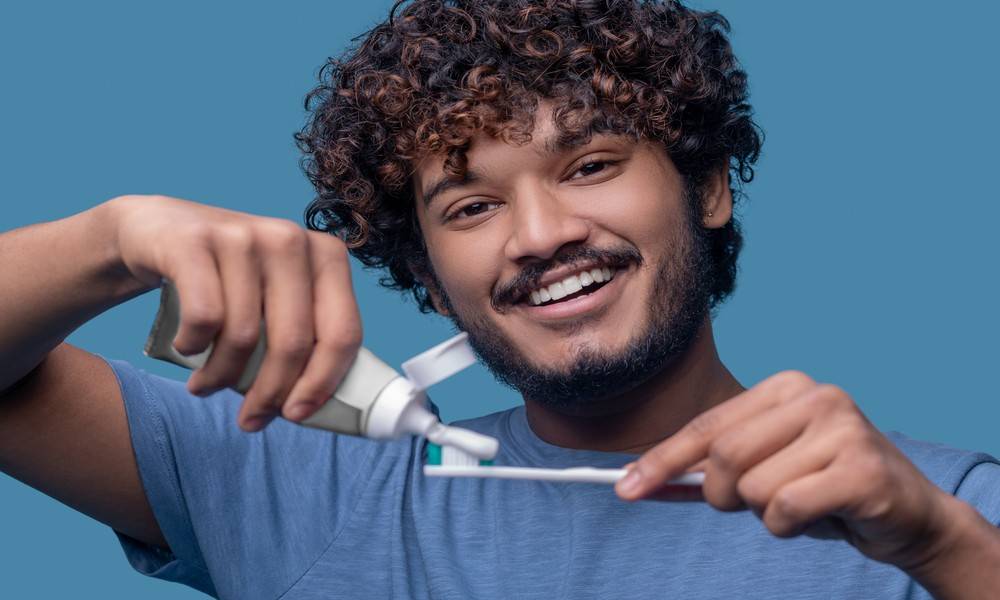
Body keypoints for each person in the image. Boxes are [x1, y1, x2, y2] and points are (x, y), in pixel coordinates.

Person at [1, 0, 998, 598]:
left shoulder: (936, 511)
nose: (537, 234)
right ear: (430, 282)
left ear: (704, 186)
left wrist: (941, 549)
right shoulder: (291, 485)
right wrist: (111, 240)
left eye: (592, 162)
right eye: (472, 204)